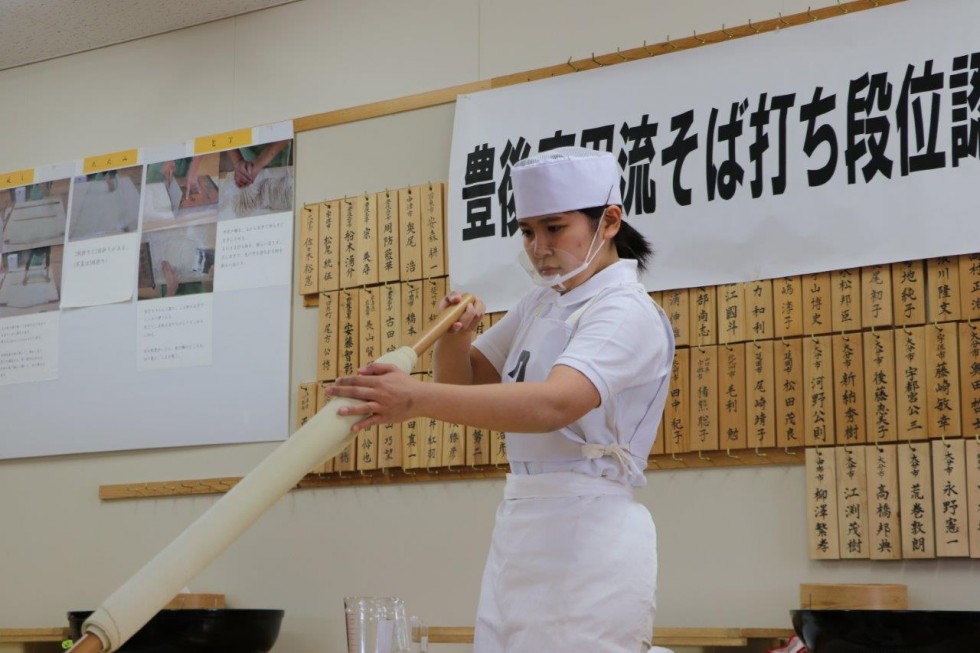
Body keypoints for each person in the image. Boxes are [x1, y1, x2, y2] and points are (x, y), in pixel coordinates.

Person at [325, 146, 675, 652]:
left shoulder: (625, 310)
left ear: (610, 221)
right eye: (528, 232)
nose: (538, 247)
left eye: (555, 228)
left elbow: (555, 404)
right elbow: (464, 385)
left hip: (590, 531)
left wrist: (416, 398)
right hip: (522, 527)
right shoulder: (542, 302)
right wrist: (455, 337)